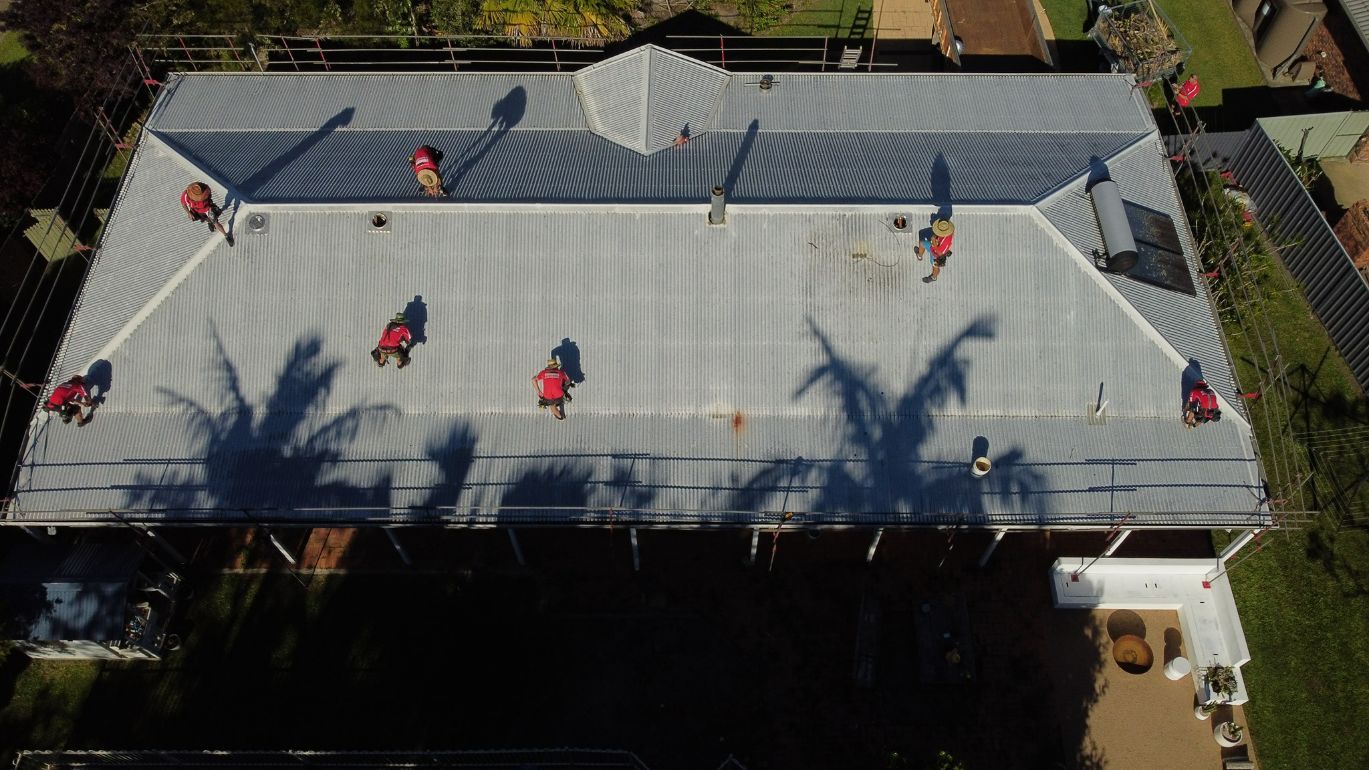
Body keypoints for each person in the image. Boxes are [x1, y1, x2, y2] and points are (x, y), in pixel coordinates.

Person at [916, 219, 955, 283]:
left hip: (936, 254)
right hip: (936, 248)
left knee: (935, 267)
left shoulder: (940, 251)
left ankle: (933, 277)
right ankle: (919, 256)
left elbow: (938, 250)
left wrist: (933, 240)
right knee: (922, 243)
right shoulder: (950, 232)